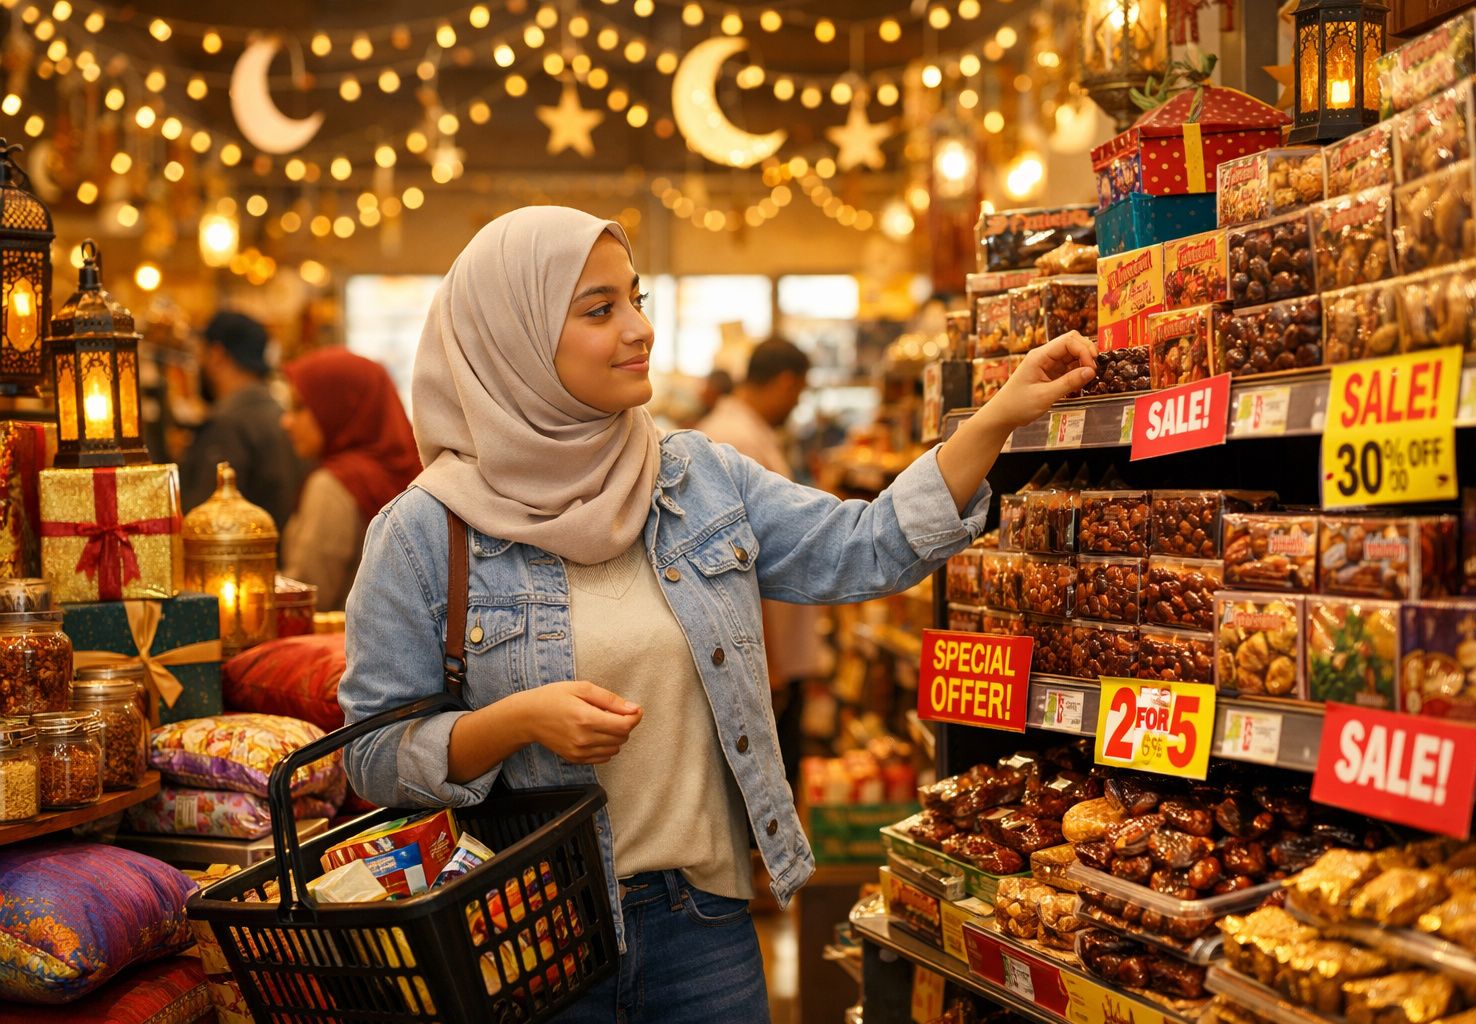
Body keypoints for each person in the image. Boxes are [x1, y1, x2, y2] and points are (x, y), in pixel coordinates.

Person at [339, 207, 1095, 1023]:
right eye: (599, 310)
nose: (639, 329)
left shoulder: (695, 479)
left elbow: (866, 547)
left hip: (702, 928)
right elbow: (372, 756)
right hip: (527, 936)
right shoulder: (424, 534)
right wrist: (517, 722)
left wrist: (997, 415)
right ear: (511, 341)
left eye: (636, 299)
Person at [697, 337, 817, 795]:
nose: (796, 403)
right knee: (770, 782)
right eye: (798, 392)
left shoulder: (741, 430)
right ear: (785, 382)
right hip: (763, 650)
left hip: (768, 647)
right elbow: (733, 562)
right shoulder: (737, 438)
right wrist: (767, 663)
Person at [280, 349, 422, 612]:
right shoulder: (415, 472)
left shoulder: (333, 486)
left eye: (299, 407)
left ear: (338, 406)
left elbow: (304, 599)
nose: (286, 421)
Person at [180, 312, 300, 531]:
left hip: (241, 550)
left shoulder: (226, 424)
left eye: (201, 353)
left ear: (216, 354)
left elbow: (204, 521)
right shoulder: (280, 413)